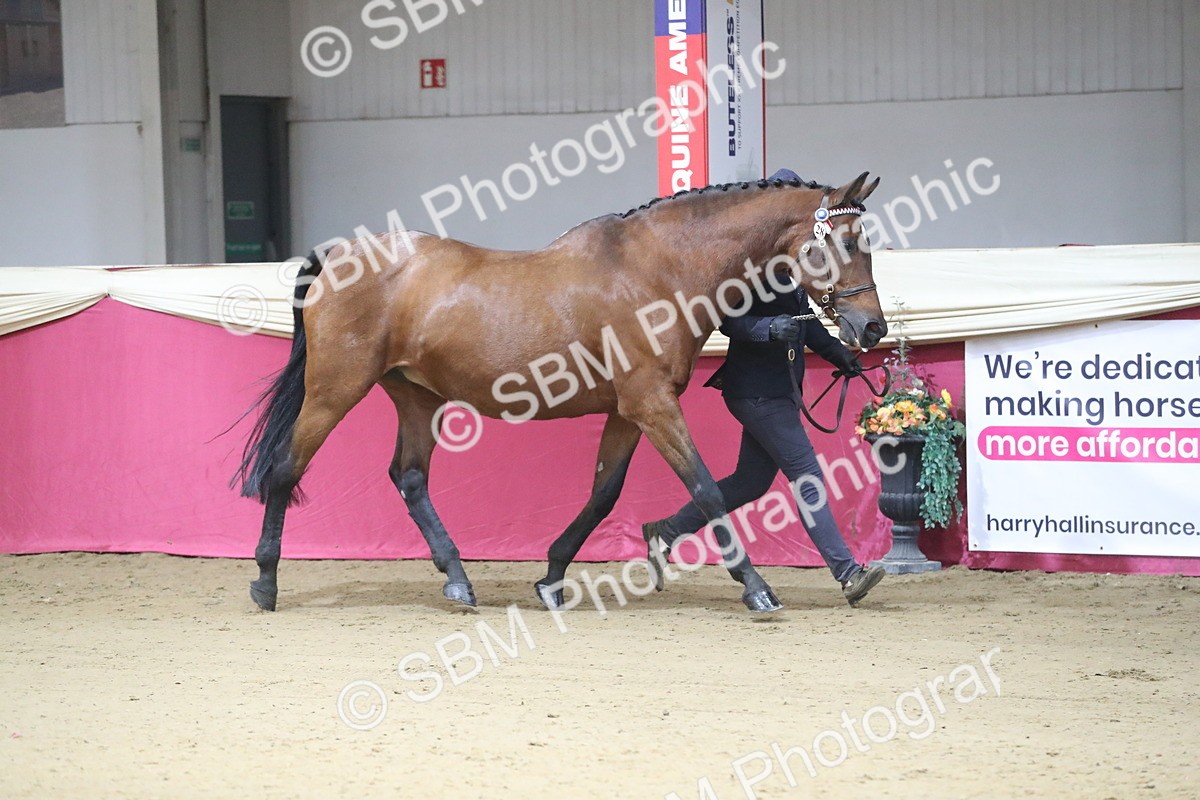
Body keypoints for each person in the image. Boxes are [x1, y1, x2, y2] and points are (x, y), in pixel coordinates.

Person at [642, 169, 886, 608]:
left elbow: (806, 323)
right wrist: (770, 329)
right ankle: (847, 573)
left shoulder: (795, 266)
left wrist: (840, 356)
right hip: (755, 390)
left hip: (778, 387)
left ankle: (667, 531)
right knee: (806, 473)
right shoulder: (746, 270)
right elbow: (728, 320)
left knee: (750, 483)